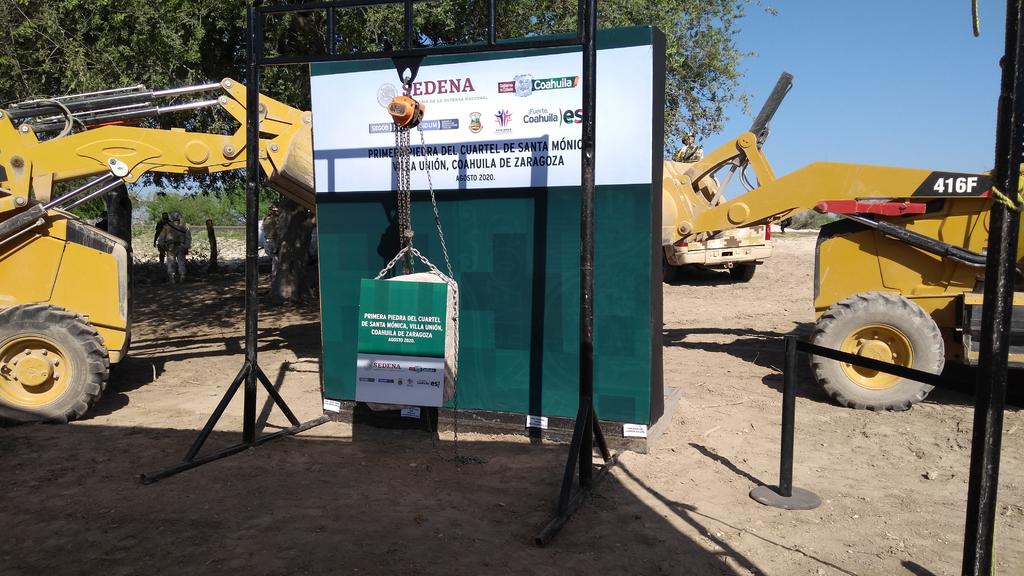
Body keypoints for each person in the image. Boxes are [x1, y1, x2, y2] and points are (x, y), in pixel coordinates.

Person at [157, 211, 191, 283]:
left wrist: (161, 245)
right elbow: (188, 238)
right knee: (181, 261)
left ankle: (172, 278)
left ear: (171, 218)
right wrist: (186, 246)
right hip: (181, 246)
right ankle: (182, 276)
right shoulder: (184, 227)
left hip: (170, 247)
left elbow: (161, 237)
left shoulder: (166, 227)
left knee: (171, 262)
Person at [262, 205, 281, 279]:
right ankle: (275, 276)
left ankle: (274, 275)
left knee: (274, 259)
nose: (277, 212)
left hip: (267, 241)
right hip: (274, 241)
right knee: (276, 259)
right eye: (276, 211)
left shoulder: (265, 219)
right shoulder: (276, 220)